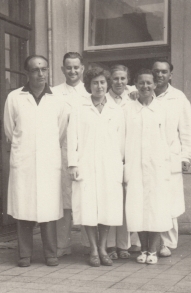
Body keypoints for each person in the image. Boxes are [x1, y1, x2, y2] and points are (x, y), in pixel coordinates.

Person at [4, 55, 69, 267]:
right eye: (35, 70)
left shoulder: (58, 99)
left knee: (48, 208)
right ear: (27, 73)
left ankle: (50, 253)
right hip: (24, 161)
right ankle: (24, 255)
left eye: (44, 69)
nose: (40, 74)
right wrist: (25, 149)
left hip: (48, 161)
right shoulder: (15, 97)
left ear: (49, 71)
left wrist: (45, 149)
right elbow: (10, 131)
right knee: (24, 208)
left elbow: (60, 131)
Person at [67, 67, 125, 267]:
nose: (99, 86)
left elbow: (122, 141)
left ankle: (103, 248)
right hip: (86, 164)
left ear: (107, 84)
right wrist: (73, 163)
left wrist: (121, 166)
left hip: (110, 165)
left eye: (102, 82)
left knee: (108, 207)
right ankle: (92, 248)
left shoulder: (117, 110)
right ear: (88, 86)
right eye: (95, 83)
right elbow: (72, 137)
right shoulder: (79, 107)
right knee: (88, 207)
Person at [124, 68, 173, 264]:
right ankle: (142, 249)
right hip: (135, 165)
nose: (145, 86)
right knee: (137, 208)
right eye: (141, 82)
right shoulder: (127, 109)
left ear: (154, 85)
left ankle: (152, 250)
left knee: (156, 208)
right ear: (135, 85)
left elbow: (168, 139)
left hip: (156, 167)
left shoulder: (162, 109)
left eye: (149, 83)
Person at [151, 60, 191, 257]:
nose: (159, 75)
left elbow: (186, 130)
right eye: (156, 72)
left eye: (164, 72)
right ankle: (146, 242)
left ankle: (166, 243)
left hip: (170, 157)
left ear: (170, 75)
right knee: (149, 199)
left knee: (168, 201)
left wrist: (186, 156)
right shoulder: (141, 93)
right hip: (147, 157)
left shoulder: (179, 98)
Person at [52, 52, 89, 258]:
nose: (73, 71)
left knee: (86, 199)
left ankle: (88, 244)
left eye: (76, 67)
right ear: (62, 69)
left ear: (82, 68)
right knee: (64, 201)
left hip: (87, 152)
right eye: (69, 67)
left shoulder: (91, 90)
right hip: (62, 152)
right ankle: (62, 245)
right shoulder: (54, 93)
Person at [106, 64, 140, 260]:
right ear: (110, 80)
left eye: (123, 78)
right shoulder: (103, 98)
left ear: (128, 80)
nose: (119, 82)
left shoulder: (133, 98)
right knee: (111, 202)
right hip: (110, 158)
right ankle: (110, 245)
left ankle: (124, 244)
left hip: (129, 157)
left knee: (127, 203)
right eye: (115, 78)